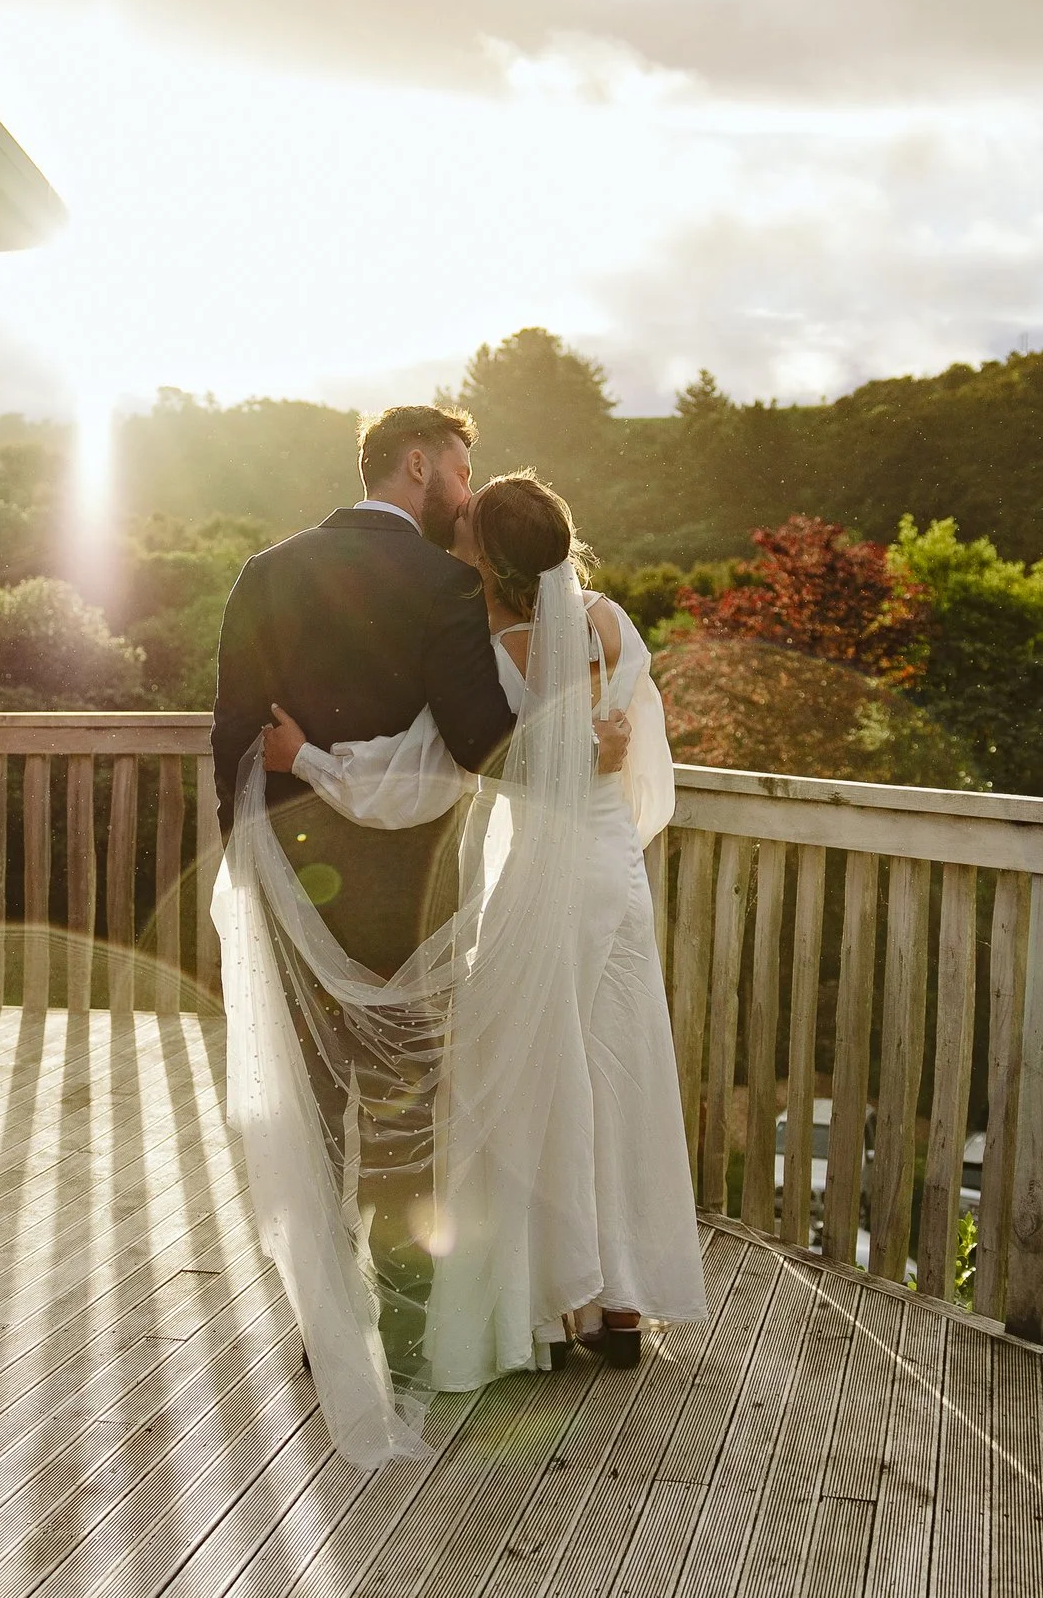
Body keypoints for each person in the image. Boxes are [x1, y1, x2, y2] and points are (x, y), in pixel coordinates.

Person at [211, 407, 599, 1464]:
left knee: (317, 1096)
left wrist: (258, 877)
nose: (466, 497)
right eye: (461, 472)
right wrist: (573, 716)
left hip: (291, 879)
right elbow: (478, 742)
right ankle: (408, 1329)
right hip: (409, 895)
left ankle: (323, 1326)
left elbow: (231, 737)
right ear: (420, 464)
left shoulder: (264, 570)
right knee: (405, 1107)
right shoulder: (440, 589)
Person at [259, 471, 707, 1379]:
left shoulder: (493, 648)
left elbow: (420, 772)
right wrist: (595, 761)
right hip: (618, 874)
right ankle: (616, 1305)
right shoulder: (613, 622)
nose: (448, 543)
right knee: (618, 1067)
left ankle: (536, 1308)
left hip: (543, 880)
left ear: (486, 558)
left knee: (516, 1082)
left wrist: (302, 754)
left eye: (461, 534)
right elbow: (641, 757)